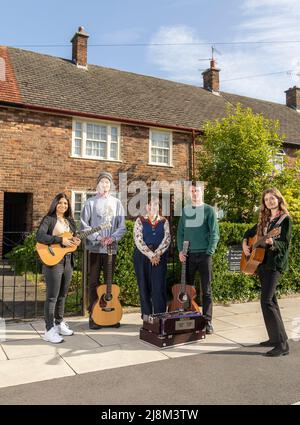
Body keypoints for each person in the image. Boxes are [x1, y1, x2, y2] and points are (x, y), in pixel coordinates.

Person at [242, 188, 292, 357]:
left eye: (272, 198)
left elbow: (284, 244)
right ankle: (275, 338)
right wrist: (244, 244)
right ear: (264, 203)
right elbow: (248, 233)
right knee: (272, 302)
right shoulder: (265, 219)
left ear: (278, 199)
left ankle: (282, 345)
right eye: (266, 199)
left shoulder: (284, 219)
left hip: (275, 265)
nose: (270, 201)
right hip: (262, 265)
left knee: (266, 301)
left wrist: (272, 242)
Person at [80, 172, 126, 329]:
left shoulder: (117, 203)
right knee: (93, 282)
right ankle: (94, 316)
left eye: (107, 182)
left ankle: (108, 314)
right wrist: (99, 237)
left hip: (110, 249)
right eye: (102, 182)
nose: (105, 185)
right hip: (94, 249)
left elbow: (122, 226)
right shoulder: (90, 203)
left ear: (110, 185)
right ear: (97, 185)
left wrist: (112, 238)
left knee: (109, 282)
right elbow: (84, 225)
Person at [36, 193, 81, 344]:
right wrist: (60, 239)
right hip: (53, 261)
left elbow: (71, 240)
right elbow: (40, 237)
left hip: (68, 261)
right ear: (55, 203)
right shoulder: (49, 219)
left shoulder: (70, 221)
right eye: (60, 202)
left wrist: (76, 241)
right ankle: (49, 330)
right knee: (52, 297)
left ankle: (59, 324)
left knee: (62, 295)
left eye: (66, 203)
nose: (63, 205)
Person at [177, 181, 220, 334]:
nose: (195, 193)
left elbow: (215, 233)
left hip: (204, 255)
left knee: (206, 290)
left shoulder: (209, 210)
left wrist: (210, 250)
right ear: (190, 193)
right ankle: (188, 317)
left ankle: (207, 321)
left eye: (197, 191)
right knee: (187, 288)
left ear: (202, 192)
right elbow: (180, 233)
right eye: (192, 191)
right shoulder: (186, 210)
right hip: (188, 255)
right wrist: (180, 251)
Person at [133, 196, 171, 318]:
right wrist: (150, 255)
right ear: (146, 207)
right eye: (150, 205)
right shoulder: (140, 221)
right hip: (142, 257)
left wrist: (157, 254)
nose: (152, 207)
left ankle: (160, 318)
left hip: (159, 258)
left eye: (155, 205)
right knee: (144, 287)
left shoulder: (164, 221)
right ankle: (146, 318)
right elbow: (138, 239)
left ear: (159, 207)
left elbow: (167, 239)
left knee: (158, 288)